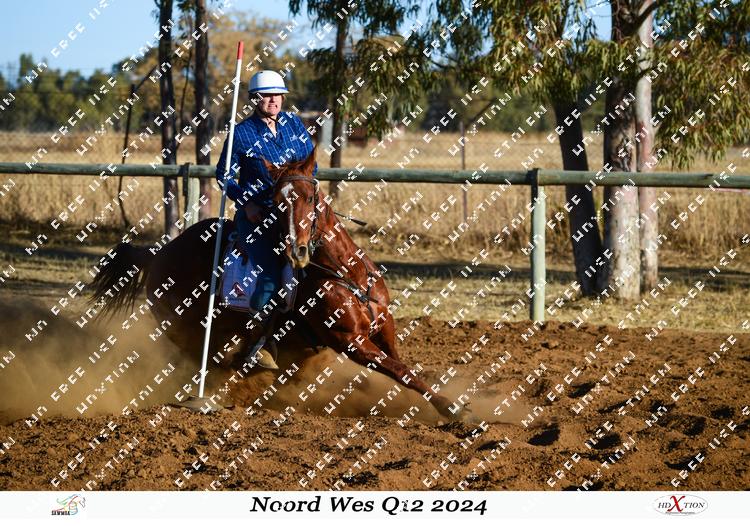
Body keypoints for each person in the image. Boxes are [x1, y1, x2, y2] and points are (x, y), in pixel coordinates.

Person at [215, 70, 317, 369]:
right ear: (254, 99)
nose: (273, 100)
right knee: (271, 273)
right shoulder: (241, 133)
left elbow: (311, 166)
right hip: (258, 216)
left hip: (295, 214)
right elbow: (223, 175)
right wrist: (245, 203)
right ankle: (258, 343)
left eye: (277, 95)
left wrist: (305, 194)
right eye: (266, 96)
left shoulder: (294, 124)